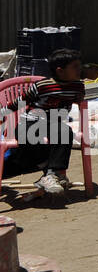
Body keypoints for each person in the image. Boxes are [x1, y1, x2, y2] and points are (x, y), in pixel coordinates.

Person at [3, 49, 85, 197]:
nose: (80, 69)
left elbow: (79, 101)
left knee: (65, 132)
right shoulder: (43, 86)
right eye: (75, 66)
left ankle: (52, 174)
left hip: (54, 123)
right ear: (60, 71)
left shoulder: (78, 87)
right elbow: (20, 102)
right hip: (31, 122)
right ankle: (48, 171)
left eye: (80, 65)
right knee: (28, 138)